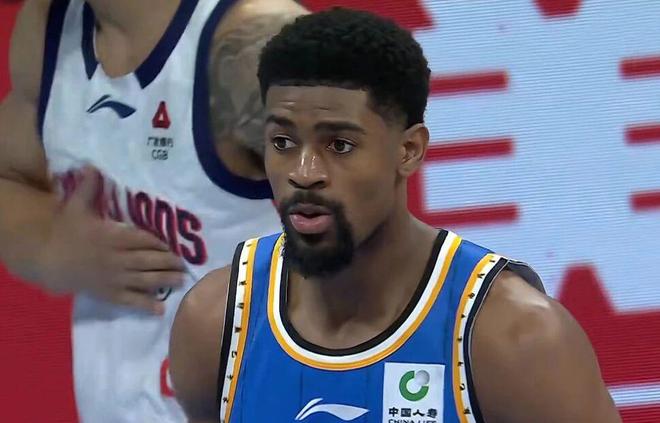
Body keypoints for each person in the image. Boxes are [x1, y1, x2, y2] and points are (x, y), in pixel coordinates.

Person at [170, 8, 622, 423]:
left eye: (339, 145)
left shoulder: (516, 339)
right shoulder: (215, 324)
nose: (304, 173)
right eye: (283, 143)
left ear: (409, 150)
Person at [0, 0, 306, 421]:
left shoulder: (255, 44)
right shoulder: (49, 29)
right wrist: (49, 247)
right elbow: (11, 176)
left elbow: (378, 222)